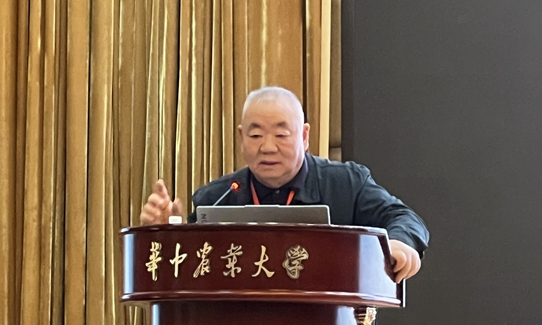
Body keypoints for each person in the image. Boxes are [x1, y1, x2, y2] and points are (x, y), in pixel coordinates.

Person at [140, 86, 429, 283]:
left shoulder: (345, 184)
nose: (267, 147)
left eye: (281, 135)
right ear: (241, 138)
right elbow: (188, 267)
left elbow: (404, 217)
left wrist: (399, 243)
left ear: (304, 136)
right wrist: (166, 232)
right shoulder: (217, 197)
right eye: (255, 136)